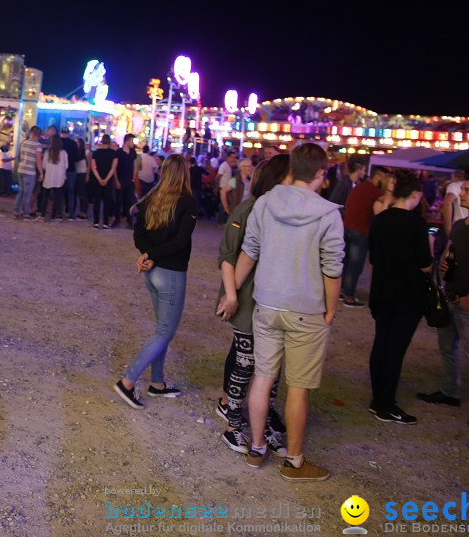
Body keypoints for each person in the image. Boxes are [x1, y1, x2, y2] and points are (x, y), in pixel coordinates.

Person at [233, 143, 343, 481]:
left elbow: (249, 251)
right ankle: (294, 462)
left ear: (292, 167)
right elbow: (332, 267)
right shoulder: (328, 214)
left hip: (267, 303)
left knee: (262, 377)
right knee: (298, 387)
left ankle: (255, 447)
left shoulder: (264, 203)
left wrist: (232, 291)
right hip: (306, 309)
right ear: (321, 173)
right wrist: (331, 310)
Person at [215, 154, 291, 456]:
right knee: (245, 364)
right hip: (246, 300)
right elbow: (228, 256)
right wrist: (231, 295)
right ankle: (233, 425)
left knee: (270, 368)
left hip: (272, 299)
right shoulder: (248, 209)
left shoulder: (281, 212)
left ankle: (266, 418)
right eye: (290, 177)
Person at [113, 155, 198, 409]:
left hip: (153, 272)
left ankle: (158, 383)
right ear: (184, 173)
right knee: (164, 331)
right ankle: (127, 382)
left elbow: (138, 233)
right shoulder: (187, 202)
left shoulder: (151, 198)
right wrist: (153, 256)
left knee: (163, 329)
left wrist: (148, 255)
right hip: (170, 273)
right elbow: (181, 241)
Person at [417, 173, 469, 426]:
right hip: (451, 294)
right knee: (447, 347)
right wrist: (446, 264)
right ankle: (450, 392)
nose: (461, 194)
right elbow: (450, 250)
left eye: (467, 190)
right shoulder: (460, 225)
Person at [366, 170, 432, 425]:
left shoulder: (380, 219)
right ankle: (386, 404)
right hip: (407, 293)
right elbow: (425, 264)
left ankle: (377, 399)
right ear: (415, 194)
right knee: (395, 349)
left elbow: (372, 258)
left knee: (381, 343)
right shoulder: (416, 224)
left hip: (382, 289)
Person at [340, 166, 392, 307]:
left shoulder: (361, 187)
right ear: (378, 177)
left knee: (346, 262)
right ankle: (349, 297)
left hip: (346, 227)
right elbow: (389, 200)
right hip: (360, 230)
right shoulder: (374, 190)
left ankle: (342, 291)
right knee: (355, 266)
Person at [13, 126, 42, 220]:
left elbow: (20, 156)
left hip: (21, 169)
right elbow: (38, 161)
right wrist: (41, 173)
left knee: (20, 192)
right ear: (39, 135)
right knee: (27, 193)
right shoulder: (37, 145)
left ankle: (16, 211)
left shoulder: (24, 143)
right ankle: (26, 213)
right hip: (30, 171)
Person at [90, 135, 118, 229]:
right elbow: (113, 168)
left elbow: (93, 167)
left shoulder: (96, 153)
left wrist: (99, 179)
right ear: (109, 142)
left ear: (101, 142)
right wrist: (106, 179)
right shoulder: (114, 154)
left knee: (97, 201)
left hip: (97, 180)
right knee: (107, 201)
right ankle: (106, 222)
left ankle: (96, 221)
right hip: (108, 181)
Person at [41, 133, 69, 222]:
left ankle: (42, 214)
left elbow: (44, 165)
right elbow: (66, 166)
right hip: (59, 178)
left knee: (45, 196)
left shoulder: (47, 152)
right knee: (58, 197)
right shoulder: (63, 153)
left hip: (49, 177)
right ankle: (55, 215)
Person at [116, 134, 139, 228]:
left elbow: (134, 166)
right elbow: (115, 167)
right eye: (132, 141)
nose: (133, 143)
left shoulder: (133, 152)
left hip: (130, 180)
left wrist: (133, 177)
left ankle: (130, 221)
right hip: (121, 179)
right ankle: (117, 219)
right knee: (119, 200)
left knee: (129, 201)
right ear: (127, 141)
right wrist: (116, 180)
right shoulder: (119, 152)